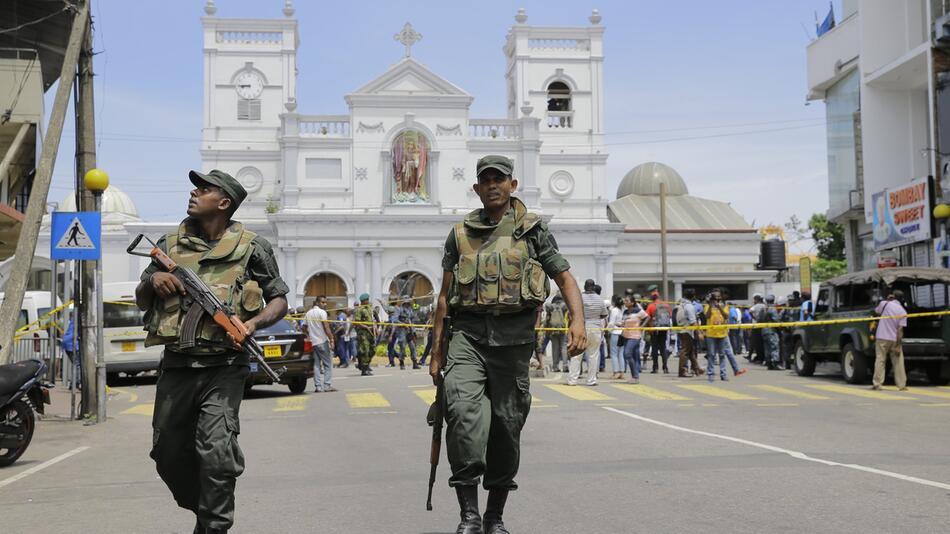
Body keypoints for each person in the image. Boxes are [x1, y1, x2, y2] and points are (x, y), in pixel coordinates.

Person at [428, 155, 586, 534]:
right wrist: (437, 353)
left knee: (506, 427)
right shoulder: (460, 234)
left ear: (513, 185)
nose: (494, 185)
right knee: (463, 417)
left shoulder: (532, 232)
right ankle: (468, 515)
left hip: (514, 343)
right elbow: (445, 297)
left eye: (500, 179)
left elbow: (564, 278)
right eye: (486, 180)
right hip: (467, 338)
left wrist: (578, 320)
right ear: (477, 188)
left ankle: (494, 516)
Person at [135, 169, 288, 534]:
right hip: (177, 365)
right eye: (195, 186)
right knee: (168, 455)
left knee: (216, 452)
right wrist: (153, 280)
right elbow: (141, 298)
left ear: (223, 203)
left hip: (225, 366)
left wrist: (253, 324)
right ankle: (206, 513)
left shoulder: (252, 246)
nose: (193, 192)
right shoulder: (168, 244)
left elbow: (279, 298)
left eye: (204, 189)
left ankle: (215, 526)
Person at [569, 279, 607, 386]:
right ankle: (591, 380)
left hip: (582, 327)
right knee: (593, 355)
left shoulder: (579, 298)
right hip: (595, 329)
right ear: (594, 287)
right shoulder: (600, 299)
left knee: (577, 355)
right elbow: (604, 315)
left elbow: (573, 312)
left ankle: (573, 380)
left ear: (585, 286)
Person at [872, 290, 908, 391]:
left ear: (893, 296)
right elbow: (900, 330)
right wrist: (898, 346)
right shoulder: (903, 311)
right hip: (894, 339)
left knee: (880, 359)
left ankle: (877, 384)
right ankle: (901, 385)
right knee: (898, 361)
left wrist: (887, 299)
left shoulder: (884, 304)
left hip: (882, 337)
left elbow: (876, 311)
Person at [305, 296, 336, 392]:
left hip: (313, 342)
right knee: (328, 364)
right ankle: (327, 385)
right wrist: (331, 339)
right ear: (317, 303)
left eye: (325, 302)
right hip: (322, 341)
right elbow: (326, 327)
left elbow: (304, 327)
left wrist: (309, 335)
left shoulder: (308, 313)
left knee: (316, 364)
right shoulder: (322, 313)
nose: (325, 304)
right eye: (323, 302)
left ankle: (318, 386)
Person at [620, 295, 649, 383]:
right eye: (624, 300)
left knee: (627, 354)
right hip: (626, 336)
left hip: (635, 336)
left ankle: (635, 375)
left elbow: (647, 317)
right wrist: (620, 324)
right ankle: (635, 376)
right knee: (633, 356)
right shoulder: (625, 311)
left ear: (632, 303)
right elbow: (624, 321)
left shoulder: (638, 311)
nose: (625, 302)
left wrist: (642, 326)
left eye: (627, 301)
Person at [675, 290, 703, 378]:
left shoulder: (680, 305)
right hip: (687, 331)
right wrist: (699, 333)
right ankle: (682, 371)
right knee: (685, 351)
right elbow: (693, 321)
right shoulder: (689, 306)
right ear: (693, 296)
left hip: (681, 330)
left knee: (690, 351)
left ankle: (697, 369)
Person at [645, 291, 673, 374]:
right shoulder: (666, 305)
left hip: (654, 329)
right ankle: (665, 367)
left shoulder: (651, 306)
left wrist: (649, 328)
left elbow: (647, 317)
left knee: (654, 348)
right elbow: (670, 316)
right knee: (663, 348)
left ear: (652, 298)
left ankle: (655, 367)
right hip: (664, 329)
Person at [544, 295, 569, 372]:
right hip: (563, 329)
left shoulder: (551, 307)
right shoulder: (564, 306)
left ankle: (555, 367)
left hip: (553, 329)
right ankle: (565, 366)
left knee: (555, 348)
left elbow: (546, 306)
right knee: (564, 347)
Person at [354, 294, 377, 376]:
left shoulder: (370, 309)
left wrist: (375, 327)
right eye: (367, 300)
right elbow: (357, 322)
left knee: (373, 350)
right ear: (363, 301)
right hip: (363, 333)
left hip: (371, 332)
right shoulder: (359, 310)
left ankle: (363, 364)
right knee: (365, 350)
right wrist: (366, 327)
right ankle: (364, 369)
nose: (368, 301)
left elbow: (375, 319)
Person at [394, 300, 420, 369]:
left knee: (413, 347)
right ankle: (401, 363)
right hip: (402, 330)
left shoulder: (410, 310)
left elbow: (412, 319)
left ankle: (415, 363)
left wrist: (414, 331)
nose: (408, 304)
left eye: (409, 303)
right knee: (402, 347)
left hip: (409, 330)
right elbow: (395, 320)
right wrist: (403, 324)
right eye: (407, 303)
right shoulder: (399, 309)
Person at [762, 295, 782, 370]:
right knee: (774, 346)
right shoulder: (772, 309)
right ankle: (776, 363)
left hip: (764, 330)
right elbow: (776, 320)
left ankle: (769, 363)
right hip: (771, 330)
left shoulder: (764, 309)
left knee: (767, 347)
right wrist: (779, 329)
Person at [607, 295, 625, 379]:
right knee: (621, 353)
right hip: (622, 332)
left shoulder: (614, 310)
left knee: (614, 353)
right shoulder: (622, 310)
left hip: (615, 332)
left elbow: (611, 323)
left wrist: (608, 330)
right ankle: (622, 372)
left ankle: (616, 372)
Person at [749, 294, 766, 364]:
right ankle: (762, 357)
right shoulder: (764, 306)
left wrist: (754, 317)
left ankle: (759, 358)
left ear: (756, 300)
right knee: (762, 343)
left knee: (757, 343)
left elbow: (750, 311)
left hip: (756, 326)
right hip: (763, 326)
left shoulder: (755, 306)